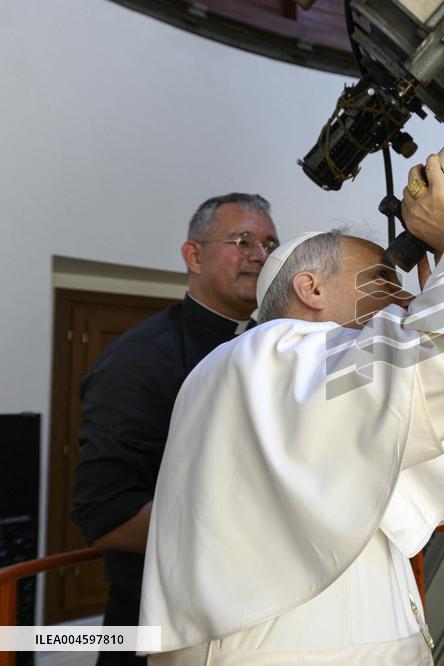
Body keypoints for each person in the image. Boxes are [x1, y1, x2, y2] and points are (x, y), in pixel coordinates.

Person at [138, 155, 444, 665]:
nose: (403, 297)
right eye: (382, 279)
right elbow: (440, 369)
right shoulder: (271, 354)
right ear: (310, 288)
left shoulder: (309, 376)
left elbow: (443, 467)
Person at [70, 193, 280, 665]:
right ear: (193, 256)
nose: (260, 256)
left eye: (269, 243)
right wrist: (258, 535)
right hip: (151, 625)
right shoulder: (139, 359)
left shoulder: (273, 348)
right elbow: (107, 513)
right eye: (243, 240)